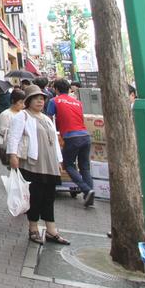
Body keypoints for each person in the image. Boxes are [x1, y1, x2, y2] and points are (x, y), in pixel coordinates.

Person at [7, 85, 70, 245]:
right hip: (32, 163)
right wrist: (12, 155)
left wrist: (58, 159)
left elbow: (54, 140)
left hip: (49, 163)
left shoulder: (47, 118)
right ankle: (33, 228)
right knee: (35, 196)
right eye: (36, 98)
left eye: (42, 98)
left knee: (49, 196)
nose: (40, 101)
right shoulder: (22, 116)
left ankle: (51, 230)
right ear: (28, 101)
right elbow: (13, 137)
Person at [46, 78, 95, 207]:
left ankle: (86, 189)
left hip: (71, 137)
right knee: (84, 167)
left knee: (68, 165)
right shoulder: (78, 102)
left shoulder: (54, 101)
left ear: (56, 89)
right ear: (68, 89)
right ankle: (89, 195)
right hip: (85, 135)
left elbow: (48, 120)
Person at [0, 88, 26, 167]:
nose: (23, 105)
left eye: (24, 102)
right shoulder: (5, 114)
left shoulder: (23, 113)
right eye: (20, 102)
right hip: (12, 147)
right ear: (13, 101)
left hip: (24, 146)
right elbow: (2, 131)